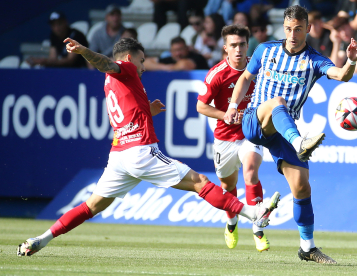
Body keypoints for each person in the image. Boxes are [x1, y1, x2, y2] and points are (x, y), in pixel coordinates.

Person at [17, 37, 281, 257]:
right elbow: (107, 63)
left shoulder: (111, 84)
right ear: (130, 59)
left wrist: (146, 110)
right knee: (200, 181)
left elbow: (124, 113)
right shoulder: (125, 68)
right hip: (141, 151)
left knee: (90, 207)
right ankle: (254, 212)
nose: (143, 67)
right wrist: (83, 51)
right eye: (142, 61)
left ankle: (42, 238)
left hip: (118, 156)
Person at [224, 5, 357, 264]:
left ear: (308, 28)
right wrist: (233, 106)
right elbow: (244, 78)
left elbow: (342, 76)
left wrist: (351, 60)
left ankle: (307, 248)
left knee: (301, 187)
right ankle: (301, 143)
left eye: (298, 29)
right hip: (256, 119)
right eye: (288, 29)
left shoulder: (314, 60)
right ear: (283, 28)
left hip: (282, 129)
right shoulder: (266, 50)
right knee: (277, 102)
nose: (292, 34)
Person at [197, 25, 269, 252]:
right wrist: (225, 116)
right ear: (225, 48)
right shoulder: (217, 74)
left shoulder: (258, 69)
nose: (238, 50)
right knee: (228, 186)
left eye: (242, 45)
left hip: (250, 134)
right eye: (233, 45)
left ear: (248, 46)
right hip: (225, 138)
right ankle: (231, 223)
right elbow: (201, 106)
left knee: (250, 170)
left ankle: (258, 228)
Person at [145, 37, 209, 71]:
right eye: (175, 50)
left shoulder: (198, 57)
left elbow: (183, 65)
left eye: (180, 50)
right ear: (170, 52)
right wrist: (164, 67)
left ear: (187, 49)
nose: (178, 53)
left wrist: (170, 69)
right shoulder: (169, 60)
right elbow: (145, 63)